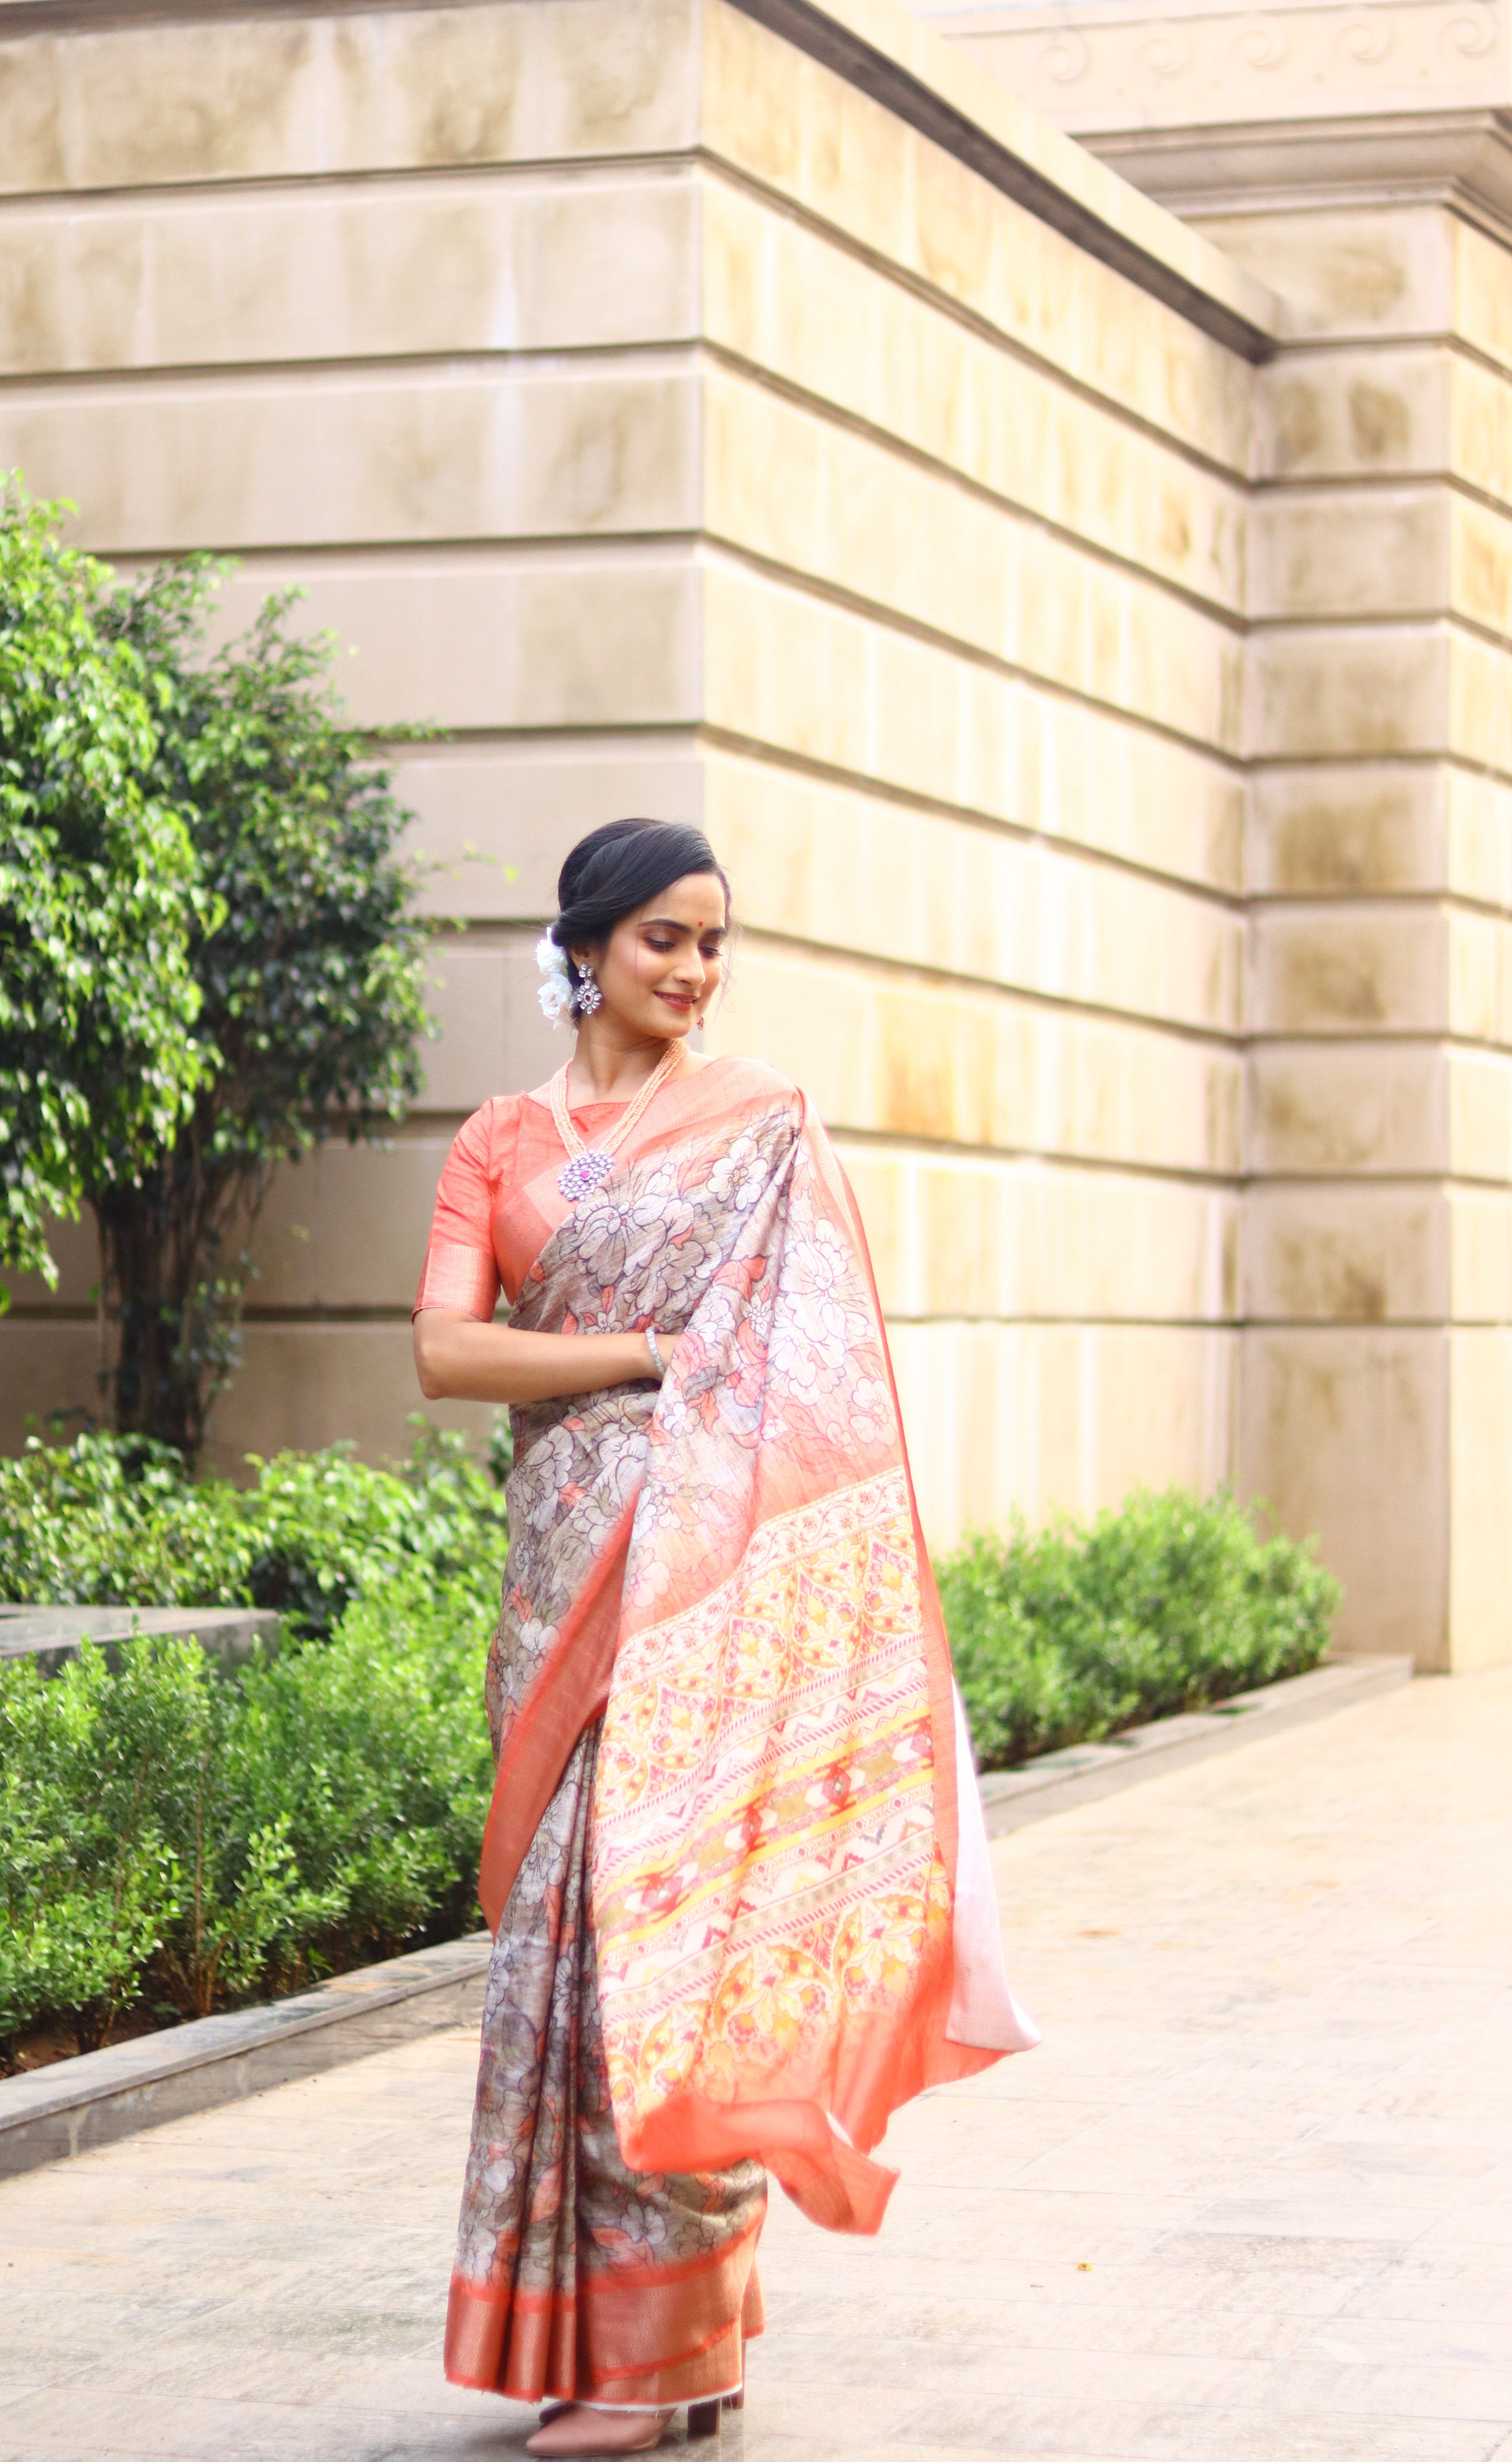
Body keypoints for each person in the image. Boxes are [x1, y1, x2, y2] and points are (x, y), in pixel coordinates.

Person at [413, 818, 1036, 2458]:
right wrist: (634, 1352)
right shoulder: (499, 1138)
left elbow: (813, 1366)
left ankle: (668, 2364)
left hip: (711, 1585)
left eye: (711, 943)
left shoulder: (763, 1128)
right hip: (562, 1585)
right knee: (555, 1957)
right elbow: (447, 1353)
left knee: (673, 1943)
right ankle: (616, 2347)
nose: (691, 972)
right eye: (660, 942)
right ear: (585, 947)